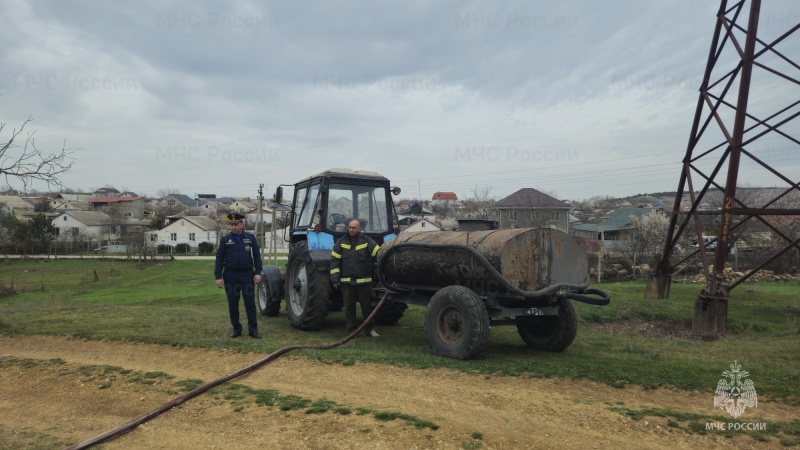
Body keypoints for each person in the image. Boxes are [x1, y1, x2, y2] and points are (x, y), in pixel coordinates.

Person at [214, 212, 263, 339]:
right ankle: (236, 329)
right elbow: (219, 258)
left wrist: (258, 272)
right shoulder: (225, 239)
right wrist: (218, 276)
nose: (233, 227)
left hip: (247, 275)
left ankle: (253, 329)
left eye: (236, 224)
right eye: (231, 224)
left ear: (242, 224)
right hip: (231, 276)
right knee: (233, 304)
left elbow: (257, 256)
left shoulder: (250, 238)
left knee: (250, 303)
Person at [330, 219, 381, 337]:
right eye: (350, 227)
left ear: (359, 229)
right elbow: (334, 261)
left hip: (364, 282)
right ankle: (351, 330)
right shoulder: (341, 242)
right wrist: (334, 278)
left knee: (367, 307)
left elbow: (377, 253)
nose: (351, 229)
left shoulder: (367, 241)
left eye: (354, 227)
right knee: (348, 307)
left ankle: (370, 330)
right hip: (347, 282)